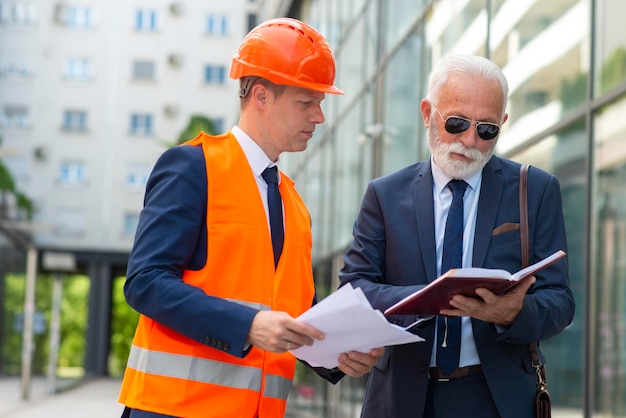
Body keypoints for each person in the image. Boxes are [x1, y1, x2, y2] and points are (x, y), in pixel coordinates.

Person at [118, 18, 383, 418]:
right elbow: (146, 282)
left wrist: (338, 355)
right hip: (174, 410)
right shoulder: (193, 167)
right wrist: (247, 325)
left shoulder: (294, 206)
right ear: (261, 95)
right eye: (306, 102)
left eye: (320, 104)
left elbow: (291, 316)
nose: (319, 118)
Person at [339, 54, 575, 418]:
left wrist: (514, 312)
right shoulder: (384, 195)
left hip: (497, 399)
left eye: (487, 130)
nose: (469, 140)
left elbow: (559, 300)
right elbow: (354, 289)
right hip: (401, 397)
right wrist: (424, 300)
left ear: (503, 124)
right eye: (456, 123)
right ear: (426, 113)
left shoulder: (536, 190)